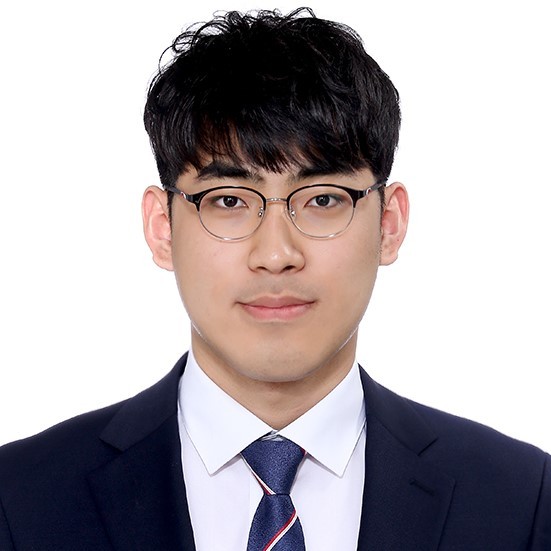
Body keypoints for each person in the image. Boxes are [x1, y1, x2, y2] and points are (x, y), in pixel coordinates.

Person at [0, 7, 549, 550]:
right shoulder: (20, 500)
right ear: (162, 227)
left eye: (323, 199)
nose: (277, 254)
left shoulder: (522, 501)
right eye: (229, 201)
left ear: (389, 224)